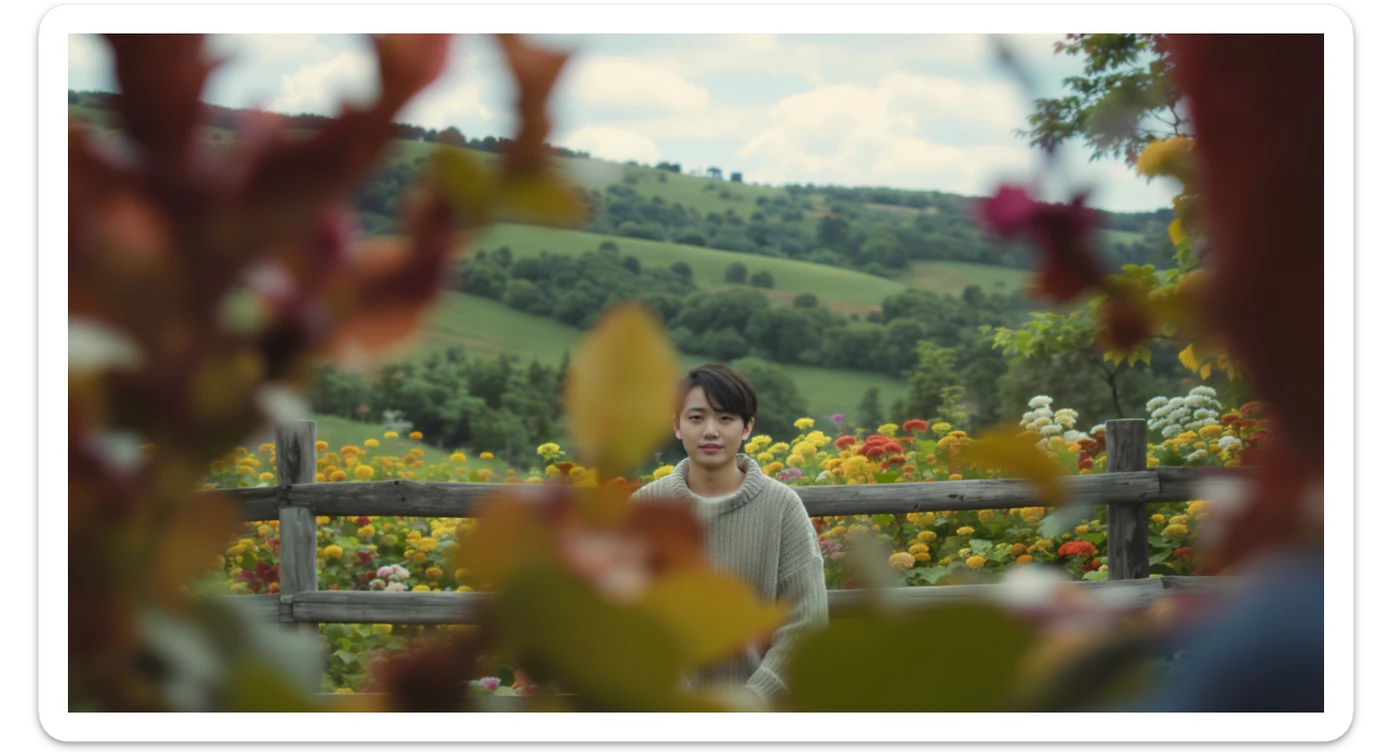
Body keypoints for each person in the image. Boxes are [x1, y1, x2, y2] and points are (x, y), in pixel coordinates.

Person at [629, 363, 829, 708]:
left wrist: (751, 701)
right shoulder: (646, 509)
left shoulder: (781, 507)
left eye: (725, 418)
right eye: (696, 418)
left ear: (747, 427)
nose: (711, 431)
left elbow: (806, 620)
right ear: (676, 425)